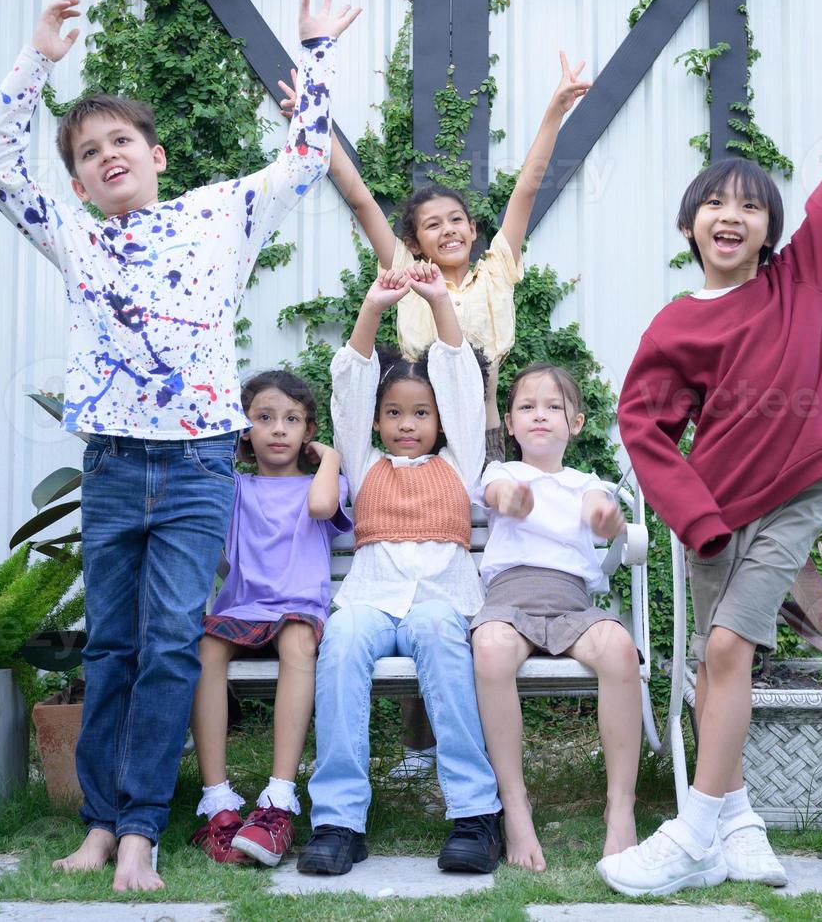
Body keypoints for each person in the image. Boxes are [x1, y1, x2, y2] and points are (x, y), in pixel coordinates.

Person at [0, 0, 360, 892]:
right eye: (86, 153)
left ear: (156, 156)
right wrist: (36, 62)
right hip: (111, 461)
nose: (106, 157)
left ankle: (142, 828)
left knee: (170, 648)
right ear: (75, 184)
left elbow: (308, 156)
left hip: (193, 467)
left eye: (119, 143)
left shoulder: (221, 215)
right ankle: (100, 825)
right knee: (109, 646)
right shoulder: (72, 234)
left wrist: (314, 53)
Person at [602, 19, 822, 897]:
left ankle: (689, 832)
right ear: (690, 225)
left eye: (748, 204)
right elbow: (642, 427)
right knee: (715, 665)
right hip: (714, 516)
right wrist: (696, 519)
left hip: (789, 501)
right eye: (713, 203)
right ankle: (738, 820)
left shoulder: (800, 277)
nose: (729, 214)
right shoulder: (675, 323)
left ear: (770, 226)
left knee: (732, 648)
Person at [278, 49, 594, 781]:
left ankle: (460, 727)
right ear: (413, 240)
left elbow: (527, 187)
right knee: (408, 560)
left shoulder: (496, 269)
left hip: (483, 429)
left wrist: (553, 108)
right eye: (431, 224)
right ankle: (421, 745)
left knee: (469, 566)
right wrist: (314, 127)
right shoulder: (404, 272)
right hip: (414, 426)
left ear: (472, 229)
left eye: (456, 219)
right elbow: (359, 200)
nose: (447, 230)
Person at [297, 263, 502, 876]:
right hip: (371, 597)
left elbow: (463, 384)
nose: (406, 425)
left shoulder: (460, 465)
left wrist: (440, 300)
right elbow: (350, 387)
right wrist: (371, 310)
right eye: (394, 413)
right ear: (378, 421)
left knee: (442, 639)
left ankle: (473, 813)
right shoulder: (361, 463)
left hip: (441, 598)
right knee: (338, 648)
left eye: (419, 414)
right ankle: (338, 820)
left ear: (439, 422)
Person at [471, 363, 640, 872]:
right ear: (510, 422)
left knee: (617, 648)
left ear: (577, 423)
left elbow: (599, 513)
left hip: (571, 602)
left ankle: (621, 807)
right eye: (527, 407)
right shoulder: (502, 473)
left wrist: (607, 520)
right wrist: (514, 501)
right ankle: (515, 805)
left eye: (553, 407)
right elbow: (498, 498)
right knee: (492, 649)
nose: (539, 416)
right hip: (510, 597)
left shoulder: (586, 481)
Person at [188, 371, 350, 868]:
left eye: (291, 420)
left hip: (299, 608)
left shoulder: (325, 483)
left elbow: (322, 507)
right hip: (243, 608)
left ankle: (278, 799)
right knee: (205, 647)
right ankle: (218, 802)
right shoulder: (234, 487)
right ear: (244, 430)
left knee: (299, 642)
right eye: (264, 418)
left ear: (308, 432)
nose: (278, 430)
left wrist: (334, 458)